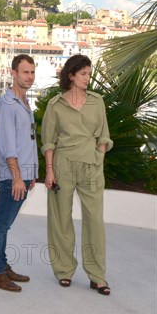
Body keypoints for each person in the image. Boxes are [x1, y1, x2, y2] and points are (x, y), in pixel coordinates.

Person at [41, 54, 112, 295]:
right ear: (71, 75)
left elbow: (104, 135)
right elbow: (48, 142)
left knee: (94, 221)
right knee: (61, 219)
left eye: (89, 74)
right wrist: (50, 171)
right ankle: (64, 270)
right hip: (63, 165)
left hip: (91, 166)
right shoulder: (55, 105)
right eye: (83, 74)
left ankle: (97, 275)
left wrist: (99, 160)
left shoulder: (97, 101)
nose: (88, 79)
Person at [0, 54, 38, 292]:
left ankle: (2, 264)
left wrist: (32, 173)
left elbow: (27, 141)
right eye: (25, 72)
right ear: (13, 73)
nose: (30, 76)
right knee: (1, 224)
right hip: (12, 177)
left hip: (24, 175)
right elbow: (8, 146)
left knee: (4, 225)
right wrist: (18, 177)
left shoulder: (24, 103)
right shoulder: (8, 104)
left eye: (32, 72)